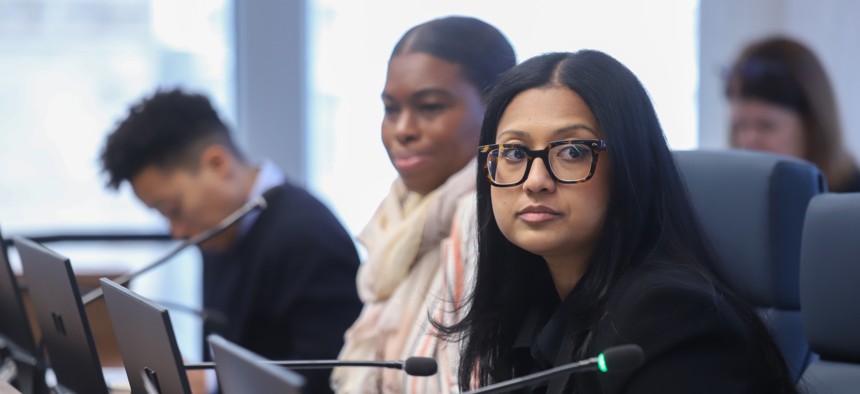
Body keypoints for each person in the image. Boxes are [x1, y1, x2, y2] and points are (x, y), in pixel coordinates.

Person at [439, 50, 799, 393]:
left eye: (573, 152)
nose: (535, 181)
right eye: (515, 152)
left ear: (630, 167)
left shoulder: (670, 316)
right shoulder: (534, 305)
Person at [99, 88, 362, 394]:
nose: (177, 231)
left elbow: (330, 380)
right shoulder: (222, 229)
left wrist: (209, 383)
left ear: (217, 163)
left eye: (174, 209)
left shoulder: (309, 237)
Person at [331, 16, 515, 394]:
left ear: (497, 110)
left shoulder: (487, 216)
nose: (402, 129)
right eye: (391, 109)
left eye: (429, 107)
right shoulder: (399, 213)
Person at [725, 36, 860, 192]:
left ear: (811, 127)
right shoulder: (734, 195)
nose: (746, 141)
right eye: (739, 125)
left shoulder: (853, 205)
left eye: (766, 126)